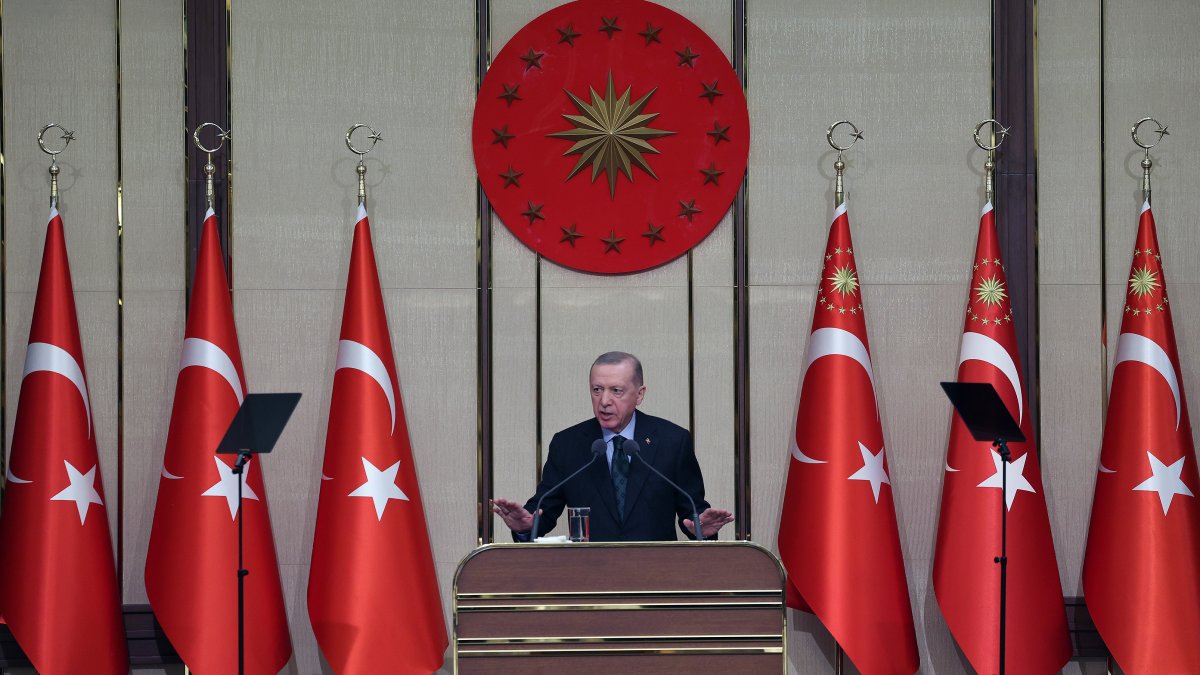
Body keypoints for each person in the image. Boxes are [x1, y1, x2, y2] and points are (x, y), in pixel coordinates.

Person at [492, 351, 734, 541]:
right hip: (588, 580)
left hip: (655, 578)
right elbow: (543, 510)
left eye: (616, 391)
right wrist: (526, 526)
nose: (604, 401)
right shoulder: (568, 444)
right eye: (597, 390)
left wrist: (704, 529)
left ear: (639, 394)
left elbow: (693, 513)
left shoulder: (672, 440)